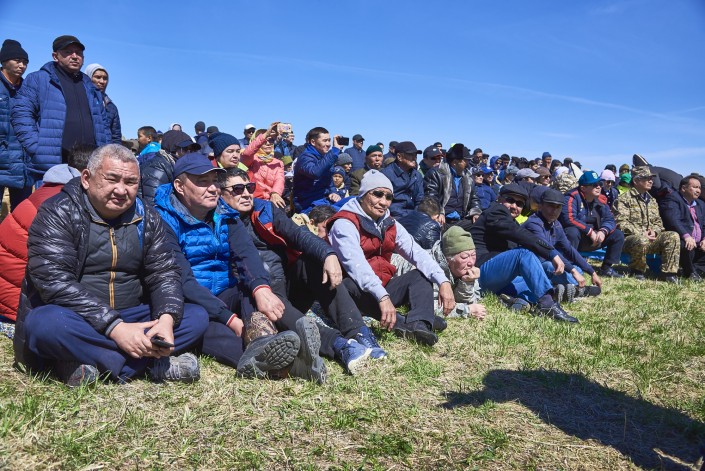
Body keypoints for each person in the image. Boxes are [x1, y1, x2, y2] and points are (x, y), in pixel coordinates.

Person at [14, 144, 209, 386]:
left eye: (131, 182)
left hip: (134, 313)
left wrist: (165, 319)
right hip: (79, 317)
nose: (121, 190)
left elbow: (164, 272)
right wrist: (115, 328)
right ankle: (147, 364)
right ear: (86, 178)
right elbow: (54, 281)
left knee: (196, 316)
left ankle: (86, 362)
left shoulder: (148, 216)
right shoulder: (58, 212)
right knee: (43, 324)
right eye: (112, 179)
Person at [153, 153, 309, 379]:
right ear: (179, 186)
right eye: (202, 182)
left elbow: (247, 254)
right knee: (206, 326)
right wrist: (229, 318)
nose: (213, 188)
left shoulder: (225, 213)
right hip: (189, 302)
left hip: (225, 292)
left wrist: (261, 289)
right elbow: (182, 280)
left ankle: (283, 341)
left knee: (255, 291)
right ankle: (285, 363)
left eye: (215, 181)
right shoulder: (162, 220)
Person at [219, 168, 381, 374]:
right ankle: (340, 345)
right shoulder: (217, 220)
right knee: (265, 298)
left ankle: (358, 332)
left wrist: (328, 254)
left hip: (284, 283)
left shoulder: (264, 209)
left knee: (312, 262)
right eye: (237, 189)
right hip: (255, 293)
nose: (246, 194)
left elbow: (297, 234)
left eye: (249, 187)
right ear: (221, 193)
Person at [327, 170, 456, 345]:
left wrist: (443, 281)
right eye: (377, 194)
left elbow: (416, 252)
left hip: (380, 286)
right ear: (363, 194)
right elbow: (357, 267)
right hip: (351, 290)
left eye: (388, 197)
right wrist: (383, 297)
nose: (383, 202)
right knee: (347, 284)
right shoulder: (344, 223)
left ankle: (420, 323)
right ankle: (407, 323)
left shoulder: (389, 222)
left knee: (420, 275)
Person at [0, 145, 91, 326]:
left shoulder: (50, 189)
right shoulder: (66, 201)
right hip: (22, 303)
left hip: (9, 294)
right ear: (87, 174)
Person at [469, 183, 578, 322]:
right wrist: (551, 253)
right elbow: (520, 235)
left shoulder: (512, 222)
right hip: (480, 274)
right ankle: (547, 304)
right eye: (510, 200)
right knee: (524, 254)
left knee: (539, 275)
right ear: (499, 198)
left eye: (519, 203)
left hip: (498, 278)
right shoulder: (495, 211)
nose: (514, 206)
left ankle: (535, 298)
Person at [11, 35, 111, 182]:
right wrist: (36, 147)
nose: (75, 56)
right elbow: (21, 113)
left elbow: (103, 122)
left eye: (78, 53)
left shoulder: (89, 85)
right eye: (68, 52)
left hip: (89, 164)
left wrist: (105, 149)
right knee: (51, 198)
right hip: (52, 165)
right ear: (55, 56)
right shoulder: (39, 79)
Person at [392, 226, 487, 321]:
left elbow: (470, 301)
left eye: (473, 255)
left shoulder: (466, 267)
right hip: (389, 274)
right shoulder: (431, 269)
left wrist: (467, 283)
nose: (471, 262)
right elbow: (427, 307)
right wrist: (466, 310)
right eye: (464, 257)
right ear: (448, 259)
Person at [524, 188, 602, 301]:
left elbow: (569, 249)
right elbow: (549, 251)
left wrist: (592, 272)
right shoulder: (534, 223)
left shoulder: (556, 224)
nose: (554, 211)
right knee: (552, 267)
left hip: (548, 263)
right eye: (551, 206)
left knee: (578, 268)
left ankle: (563, 287)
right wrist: (573, 271)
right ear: (540, 206)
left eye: (558, 207)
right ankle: (579, 290)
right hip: (532, 266)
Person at [614, 166, 680, 282]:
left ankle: (668, 273)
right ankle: (637, 271)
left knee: (672, 236)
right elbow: (621, 223)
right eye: (646, 178)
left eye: (651, 178)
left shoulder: (652, 201)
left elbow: (658, 222)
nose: (651, 181)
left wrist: (654, 231)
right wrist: (641, 233)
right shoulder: (623, 199)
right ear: (636, 181)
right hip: (630, 240)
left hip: (651, 239)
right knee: (641, 239)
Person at [560, 170, 625, 278]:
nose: (598, 187)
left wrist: (603, 231)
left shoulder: (600, 200)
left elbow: (610, 220)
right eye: (594, 185)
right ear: (583, 188)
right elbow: (569, 219)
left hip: (596, 238)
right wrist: (589, 232)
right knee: (572, 231)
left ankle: (607, 268)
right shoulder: (571, 197)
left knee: (617, 234)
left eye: (599, 183)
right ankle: (569, 266)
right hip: (578, 239)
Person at [0, 39, 32, 210]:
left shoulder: (28, 89)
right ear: (4, 61)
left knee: (22, 214)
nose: (22, 66)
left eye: (25, 62)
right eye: (18, 60)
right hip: (2, 157)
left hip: (22, 162)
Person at [423, 143, 481, 228]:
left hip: (461, 219)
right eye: (465, 160)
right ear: (455, 162)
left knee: (482, 225)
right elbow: (431, 197)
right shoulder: (436, 173)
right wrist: (438, 212)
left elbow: (474, 198)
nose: (468, 163)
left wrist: (476, 212)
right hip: (443, 220)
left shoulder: (468, 178)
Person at [659, 175, 705, 280]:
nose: (698, 190)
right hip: (682, 241)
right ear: (683, 188)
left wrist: (704, 239)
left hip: (698, 244)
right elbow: (672, 220)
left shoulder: (701, 204)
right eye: (695, 187)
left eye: (699, 188)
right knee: (686, 245)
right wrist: (686, 236)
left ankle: (695, 270)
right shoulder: (672, 198)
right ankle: (690, 272)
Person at [292, 126, 344, 213]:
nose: (328, 144)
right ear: (313, 142)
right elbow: (315, 172)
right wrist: (334, 151)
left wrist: (334, 193)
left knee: (354, 202)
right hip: (307, 203)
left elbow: (329, 182)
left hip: (324, 200)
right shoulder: (305, 157)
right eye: (325, 140)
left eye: (329, 140)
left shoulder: (325, 158)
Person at [139, 130, 197, 205]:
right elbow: (154, 204)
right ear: (172, 149)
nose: (189, 153)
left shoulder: (179, 166)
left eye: (192, 150)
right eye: (185, 149)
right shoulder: (157, 168)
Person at [240, 123, 286, 208]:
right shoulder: (251, 159)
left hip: (271, 200)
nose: (268, 143)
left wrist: (275, 193)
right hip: (252, 199)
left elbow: (279, 180)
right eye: (265, 141)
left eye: (271, 140)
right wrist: (265, 134)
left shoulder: (278, 162)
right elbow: (247, 153)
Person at [381, 141, 425, 218]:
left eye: (415, 155)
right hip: (392, 216)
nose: (414, 158)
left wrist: (416, 216)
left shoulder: (417, 175)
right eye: (411, 155)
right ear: (399, 157)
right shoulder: (386, 175)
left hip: (413, 215)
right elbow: (384, 201)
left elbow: (420, 200)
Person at [84, 63, 121, 144]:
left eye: (105, 78)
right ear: (88, 78)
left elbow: (116, 136)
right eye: (98, 77)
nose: (102, 81)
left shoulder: (111, 107)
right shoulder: (81, 99)